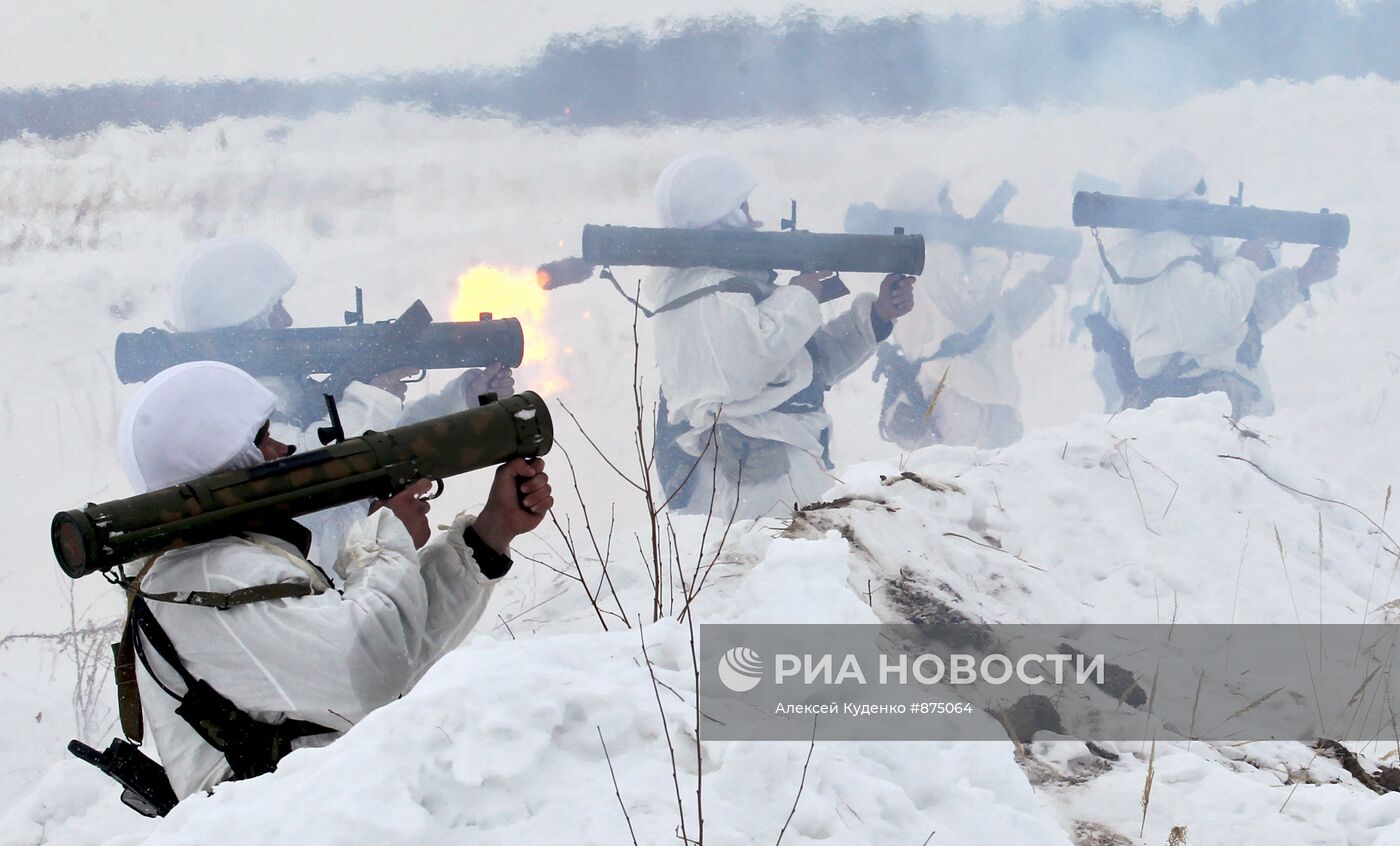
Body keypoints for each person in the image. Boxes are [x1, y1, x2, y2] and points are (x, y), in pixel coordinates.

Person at [114, 360, 552, 802]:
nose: (283, 449)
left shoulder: (212, 564)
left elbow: (398, 645)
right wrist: (386, 538)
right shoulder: (216, 576)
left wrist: (491, 532)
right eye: (263, 439)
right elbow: (371, 669)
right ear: (225, 462)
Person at [172, 235, 516, 562]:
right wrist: (371, 398)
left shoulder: (278, 385)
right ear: (244, 319)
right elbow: (298, 472)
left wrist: (462, 399)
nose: (287, 320)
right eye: (275, 308)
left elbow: (381, 444)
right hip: (309, 580)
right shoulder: (229, 404)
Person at [650, 151, 915, 520]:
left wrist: (878, 315)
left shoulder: (733, 286)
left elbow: (805, 366)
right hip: (755, 480)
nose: (755, 218)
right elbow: (750, 364)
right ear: (723, 212)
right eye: (744, 206)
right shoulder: (706, 288)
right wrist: (801, 294)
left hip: (782, 465)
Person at [1087, 148, 1340, 418]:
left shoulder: (1162, 252)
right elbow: (1222, 316)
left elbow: (1242, 320)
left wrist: (1302, 278)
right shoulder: (1160, 256)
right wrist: (1245, 263)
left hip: (1200, 413)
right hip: (1193, 414)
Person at [873, 170, 1071, 450]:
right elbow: (971, 311)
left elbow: (995, 327)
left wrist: (1043, 282)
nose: (953, 209)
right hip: (959, 396)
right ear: (930, 205)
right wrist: (993, 250)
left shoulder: (938, 253)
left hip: (974, 394)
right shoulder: (934, 252)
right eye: (946, 201)